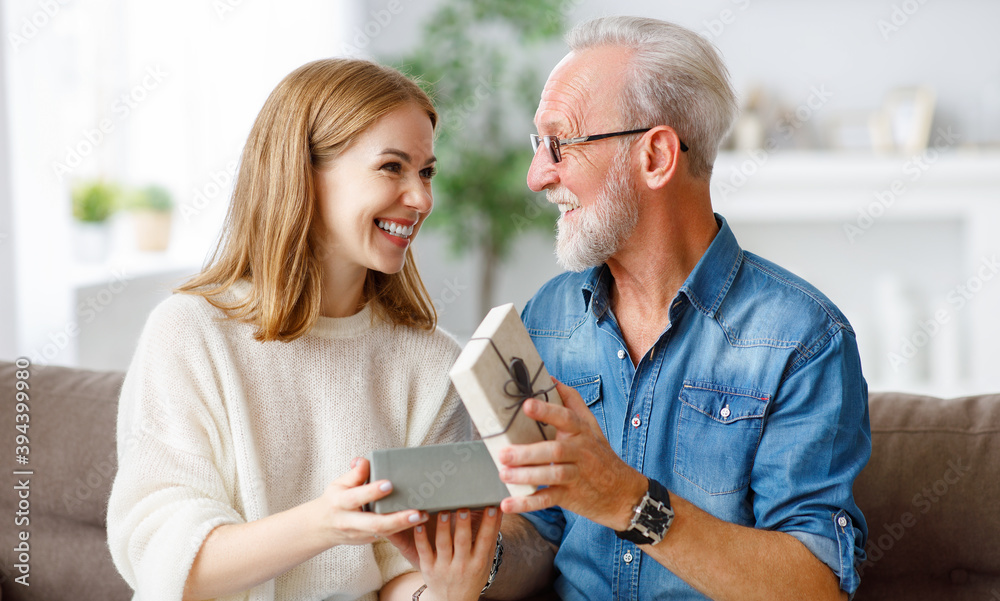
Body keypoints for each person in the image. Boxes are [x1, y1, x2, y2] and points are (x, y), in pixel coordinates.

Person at [484, 16, 870, 601]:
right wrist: (477, 556)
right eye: (539, 145)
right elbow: (543, 532)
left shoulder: (802, 339)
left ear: (657, 156)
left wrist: (627, 501)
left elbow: (815, 586)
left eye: (560, 143)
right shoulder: (547, 319)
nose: (538, 176)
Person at [106, 58, 501, 601]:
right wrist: (325, 523)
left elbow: (396, 569)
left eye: (427, 172)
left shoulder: (430, 362)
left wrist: (446, 592)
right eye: (392, 167)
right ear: (302, 172)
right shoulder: (191, 333)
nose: (421, 199)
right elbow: (166, 562)